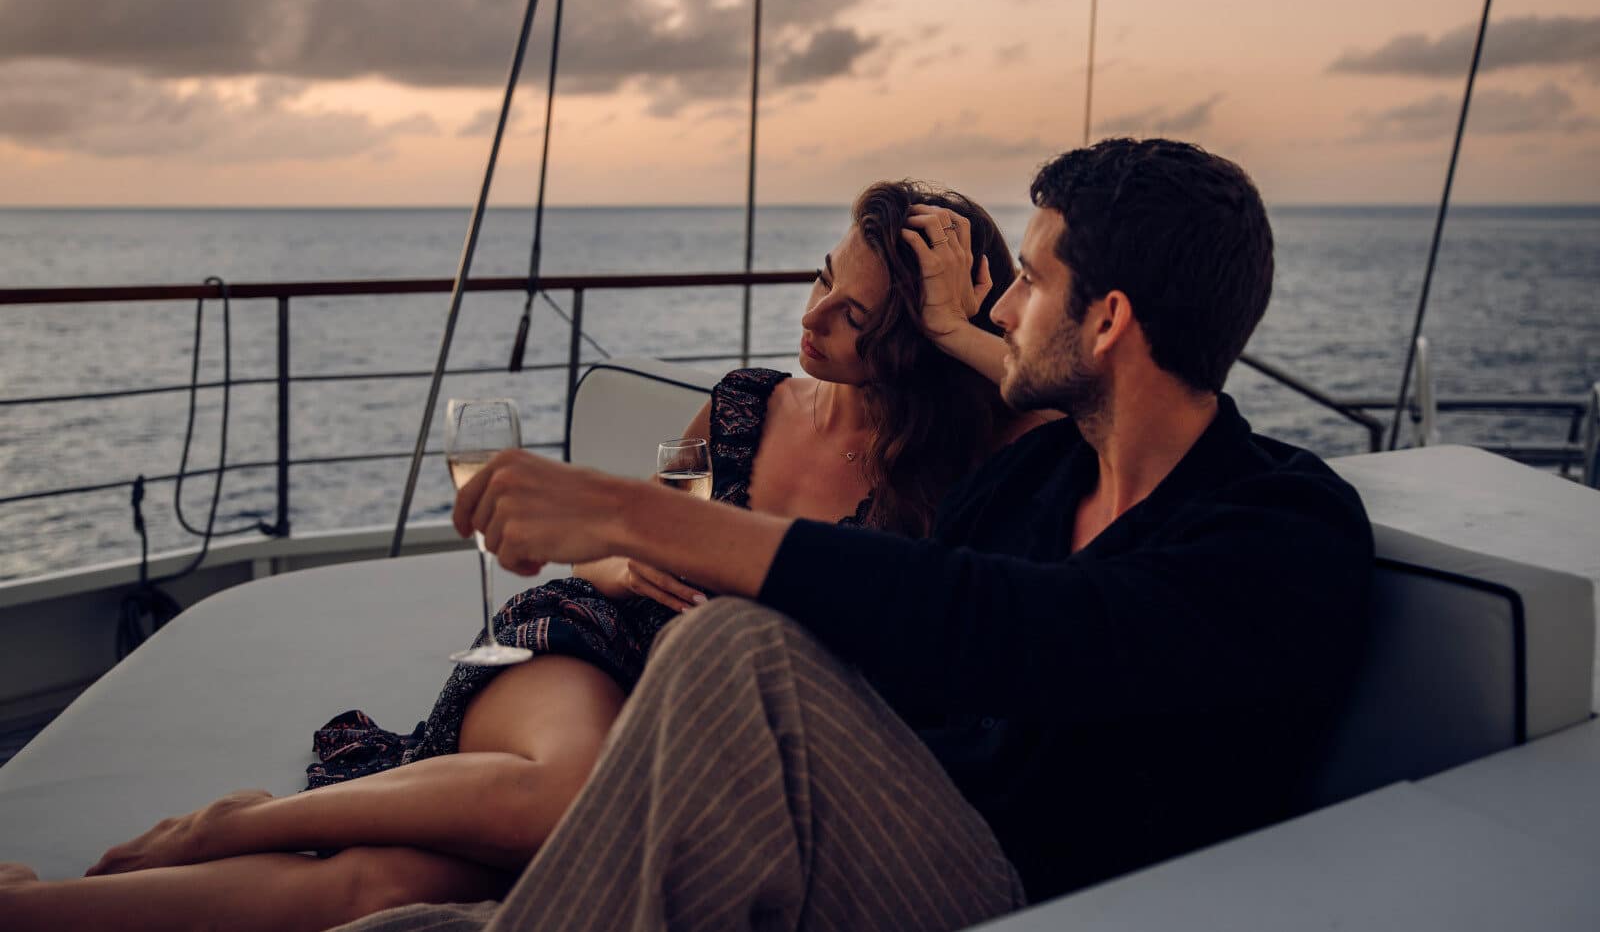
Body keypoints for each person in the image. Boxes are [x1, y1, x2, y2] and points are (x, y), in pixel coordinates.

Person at [0, 182, 1041, 932]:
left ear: (916, 336)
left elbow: (1076, 415)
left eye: (854, 315)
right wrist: (626, 564)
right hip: (592, 644)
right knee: (568, 789)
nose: (810, 317)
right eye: (820, 279)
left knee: (397, 881)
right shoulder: (744, 402)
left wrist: (962, 329)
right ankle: (232, 828)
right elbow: (613, 548)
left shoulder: (964, 463)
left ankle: (39, 910)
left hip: (702, 719)